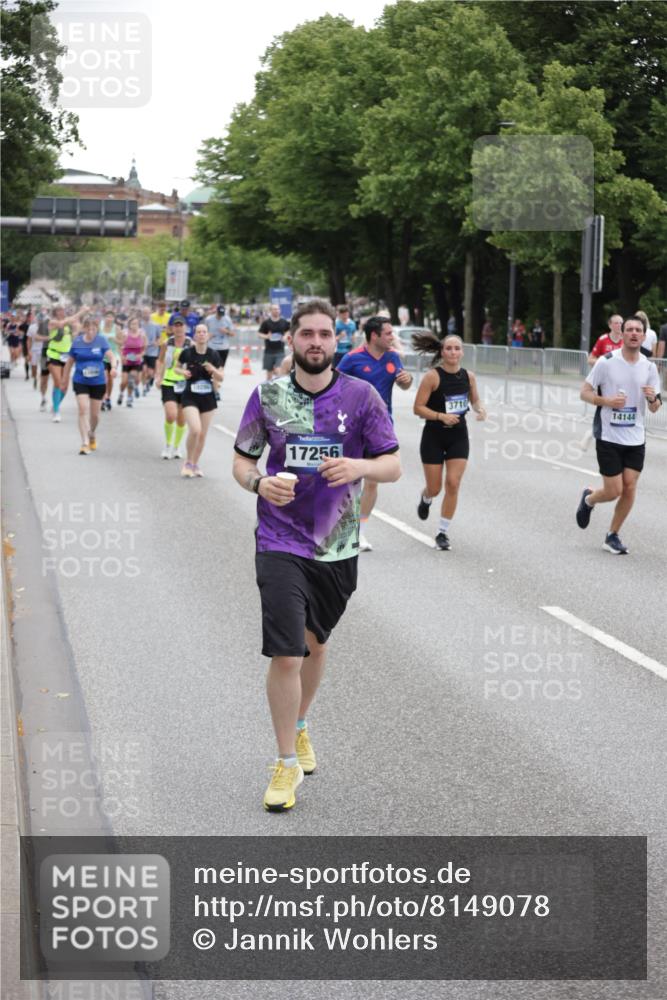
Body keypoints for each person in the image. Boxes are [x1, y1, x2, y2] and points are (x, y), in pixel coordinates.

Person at [232, 298, 400, 812]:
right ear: (292, 340)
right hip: (280, 540)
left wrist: (358, 468)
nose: (316, 342)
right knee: (287, 651)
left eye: (325, 334)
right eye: (306, 334)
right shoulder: (269, 396)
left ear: (335, 340)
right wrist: (260, 484)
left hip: (337, 546)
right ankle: (284, 764)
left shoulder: (362, 395)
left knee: (315, 645)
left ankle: (300, 725)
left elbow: (392, 465)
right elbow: (241, 461)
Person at [576, 316, 661, 554]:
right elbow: (584, 393)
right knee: (614, 491)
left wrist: (653, 398)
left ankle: (612, 535)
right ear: (621, 334)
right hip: (609, 435)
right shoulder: (606, 362)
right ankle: (589, 499)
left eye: (638, 330)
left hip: (635, 436)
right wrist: (607, 401)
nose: (634, 333)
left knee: (630, 488)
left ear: (644, 336)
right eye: (629, 329)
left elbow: (656, 406)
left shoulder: (649, 367)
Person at [336, 315, 413, 551]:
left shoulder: (392, 357)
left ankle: (360, 530)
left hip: (381, 428)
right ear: (374, 336)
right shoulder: (352, 359)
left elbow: (404, 384)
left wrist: (406, 380)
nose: (393, 337)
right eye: (389, 333)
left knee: (372, 482)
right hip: (353, 428)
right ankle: (339, 526)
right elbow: (334, 386)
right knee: (349, 480)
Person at [412, 332, 486, 550]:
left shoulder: (468, 376)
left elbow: (475, 400)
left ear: (462, 352)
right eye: (449, 348)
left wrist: (481, 409)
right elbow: (418, 408)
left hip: (458, 436)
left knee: (453, 483)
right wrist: (440, 416)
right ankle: (426, 498)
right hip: (434, 436)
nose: (453, 352)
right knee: (435, 488)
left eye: (457, 348)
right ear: (442, 352)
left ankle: (442, 532)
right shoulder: (432, 377)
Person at [174, 323, 224, 477]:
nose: (201, 334)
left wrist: (213, 370)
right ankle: (188, 462)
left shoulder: (214, 355)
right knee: (195, 429)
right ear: (195, 336)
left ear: (208, 335)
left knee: (202, 434)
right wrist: (183, 372)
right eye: (199, 332)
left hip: (208, 398)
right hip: (190, 395)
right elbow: (175, 367)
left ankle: (195, 464)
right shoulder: (187, 353)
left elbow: (221, 377)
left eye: (204, 332)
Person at [61, 317, 117, 454]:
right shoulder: (78, 342)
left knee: (95, 415)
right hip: (81, 380)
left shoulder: (101, 341)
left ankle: (91, 433)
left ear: (97, 329)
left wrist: (114, 367)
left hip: (98, 381)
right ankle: (85, 442)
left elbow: (111, 356)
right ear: (84, 329)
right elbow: (69, 362)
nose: (91, 332)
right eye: (89, 329)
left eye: (94, 329)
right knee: (82, 409)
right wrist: (64, 380)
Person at [155, 318, 192, 459]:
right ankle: (168, 444)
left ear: (185, 327)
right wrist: (158, 376)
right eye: (176, 326)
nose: (178, 328)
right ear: (172, 328)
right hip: (169, 382)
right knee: (171, 415)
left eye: (181, 326)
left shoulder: (190, 344)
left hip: (185, 384)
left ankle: (176, 447)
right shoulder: (167, 343)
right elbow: (160, 360)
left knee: (182, 420)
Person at [46, 305, 86, 422]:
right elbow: (61, 324)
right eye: (59, 310)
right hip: (54, 355)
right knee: (58, 383)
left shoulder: (68, 325)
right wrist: (81, 311)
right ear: (55, 312)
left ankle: (55, 404)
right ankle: (57, 411)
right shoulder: (52, 322)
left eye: (63, 310)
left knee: (65, 386)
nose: (61, 312)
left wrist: (78, 327)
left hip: (66, 356)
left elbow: (77, 330)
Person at [118, 317, 146, 407]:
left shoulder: (142, 335)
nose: (134, 326)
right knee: (124, 382)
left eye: (136, 324)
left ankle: (129, 398)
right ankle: (121, 393)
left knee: (132, 379)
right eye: (133, 324)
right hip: (126, 361)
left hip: (136, 361)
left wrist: (140, 355)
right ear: (129, 325)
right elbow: (120, 346)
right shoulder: (125, 334)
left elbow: (144, 348)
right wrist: (122, 357)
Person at [258, 303, 290, 379]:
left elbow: (289, 330)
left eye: (278, 309)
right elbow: (259, 334)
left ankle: (278, 388)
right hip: (269, 351)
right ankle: (270, 389)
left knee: (278, 370)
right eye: (274, 309)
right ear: (271, 311)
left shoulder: (284, 322)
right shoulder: (266, 323)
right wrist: (267, 336)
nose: (276, 311)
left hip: (280, 351)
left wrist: (285, 336)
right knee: (269, 374)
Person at [140, 307, 161, 394]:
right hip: (142, 351)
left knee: (151, 372)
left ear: (150, 313)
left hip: (152, 351)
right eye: (144, 313)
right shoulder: (139, 324)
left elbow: (159, 337)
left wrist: (156, 342)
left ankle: (150, 380)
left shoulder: (156, 325)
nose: (146, 315)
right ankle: (144, 386)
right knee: (144, 370)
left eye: (147, 313)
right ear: (142, 314)